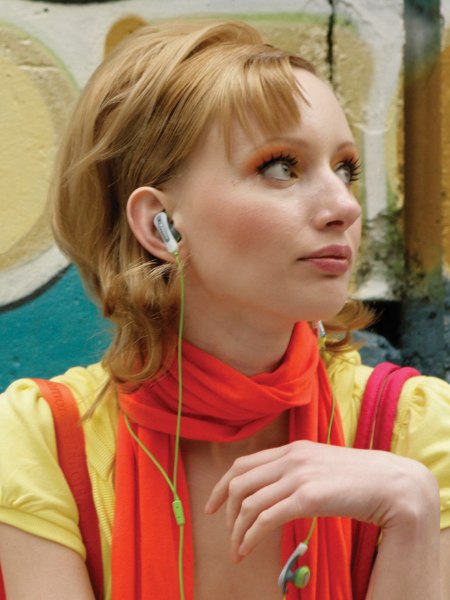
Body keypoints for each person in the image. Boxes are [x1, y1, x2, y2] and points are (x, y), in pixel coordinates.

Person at [0, 19, 449, 600]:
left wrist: (411, 513)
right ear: (159, 225)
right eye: (281, 166)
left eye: (345, 168)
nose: (343, 206)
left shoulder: (410, 432)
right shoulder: (49, 444)